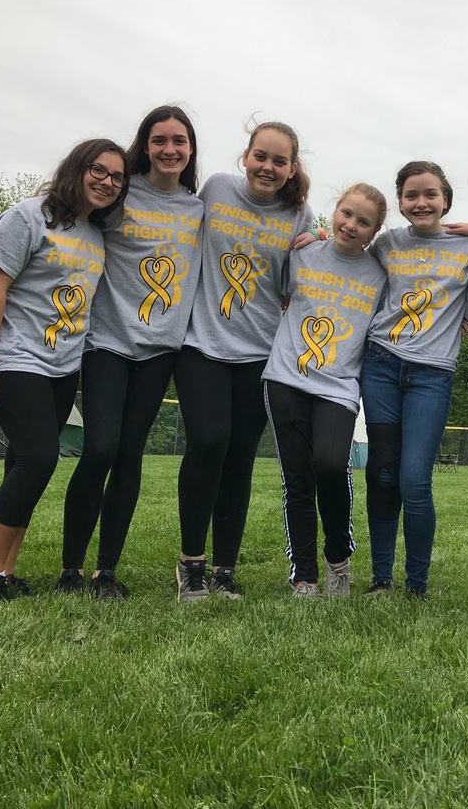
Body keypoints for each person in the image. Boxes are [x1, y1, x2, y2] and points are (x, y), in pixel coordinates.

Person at [57, 106, 203, 598]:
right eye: (159, 140)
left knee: (130, 456)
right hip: (107, 342)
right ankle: (70, 569)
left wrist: (308, 236)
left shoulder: (197, 208)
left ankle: (105, 572)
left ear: (190, 148)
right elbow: (71, 221)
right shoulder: (119, 193)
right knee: (99, 448)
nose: (169, 149)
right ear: (145, 144)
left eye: (179, 141)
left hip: (161, 350)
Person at [174, 120, 314, 602]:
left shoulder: (298, 213)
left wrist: (314, 249)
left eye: (279, 161)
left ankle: (224, 571)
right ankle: (191, 564)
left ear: (291, 168)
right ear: (245, 156)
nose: (268, 167)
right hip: (201, 344)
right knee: (208, 442)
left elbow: (296, 285)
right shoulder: (216, 188)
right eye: (261, 156)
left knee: (239, 460)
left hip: (260, 353)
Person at [0, 138, 128, 603]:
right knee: (38, 457)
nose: (107, 182)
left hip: (63, 367)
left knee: (21, 463)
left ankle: (5, 573)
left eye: (117, 177)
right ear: (76, 167)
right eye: (98, 170)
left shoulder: (95, 234)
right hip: (17, 358)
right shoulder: (28, 217)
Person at [361, 161, 468, 599]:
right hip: (379, 363)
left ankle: (417, 584)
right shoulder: (387, 242)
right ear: (399, 201)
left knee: (414, 478)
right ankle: (381, 579)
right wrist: (320, 234)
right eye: (411, 195)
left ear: (446, 200)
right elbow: (347, 248)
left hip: (431, 375)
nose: (421, 202)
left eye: (430, 194)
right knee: (382, 473)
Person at [263, 183, 388, 597]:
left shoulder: (379, 274)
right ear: (335, 211)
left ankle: (338, 561)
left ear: (374, 232)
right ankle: (305, 576)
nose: (351, 225)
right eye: (346, 214)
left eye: (363, 222)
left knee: (332, 465)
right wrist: (315, 235)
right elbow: (275, 297)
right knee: (297, 480)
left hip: (338, 386)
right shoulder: (300, 253)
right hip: (285, 378)